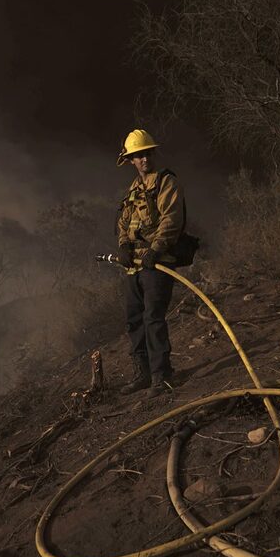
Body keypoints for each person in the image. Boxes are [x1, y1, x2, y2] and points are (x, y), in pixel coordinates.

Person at [115, 129, 185, 397]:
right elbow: (124, 222)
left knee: (153, 318)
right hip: (134, 264)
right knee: (134, 319)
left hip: (157, 262)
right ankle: (142, 374)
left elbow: (171, 220)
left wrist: (155, 250)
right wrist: (123, 244)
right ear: (130, 160)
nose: (144, 159)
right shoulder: (134, 189)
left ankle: (161, 376)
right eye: (138, 156)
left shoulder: (167, 182)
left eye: (147, 153)